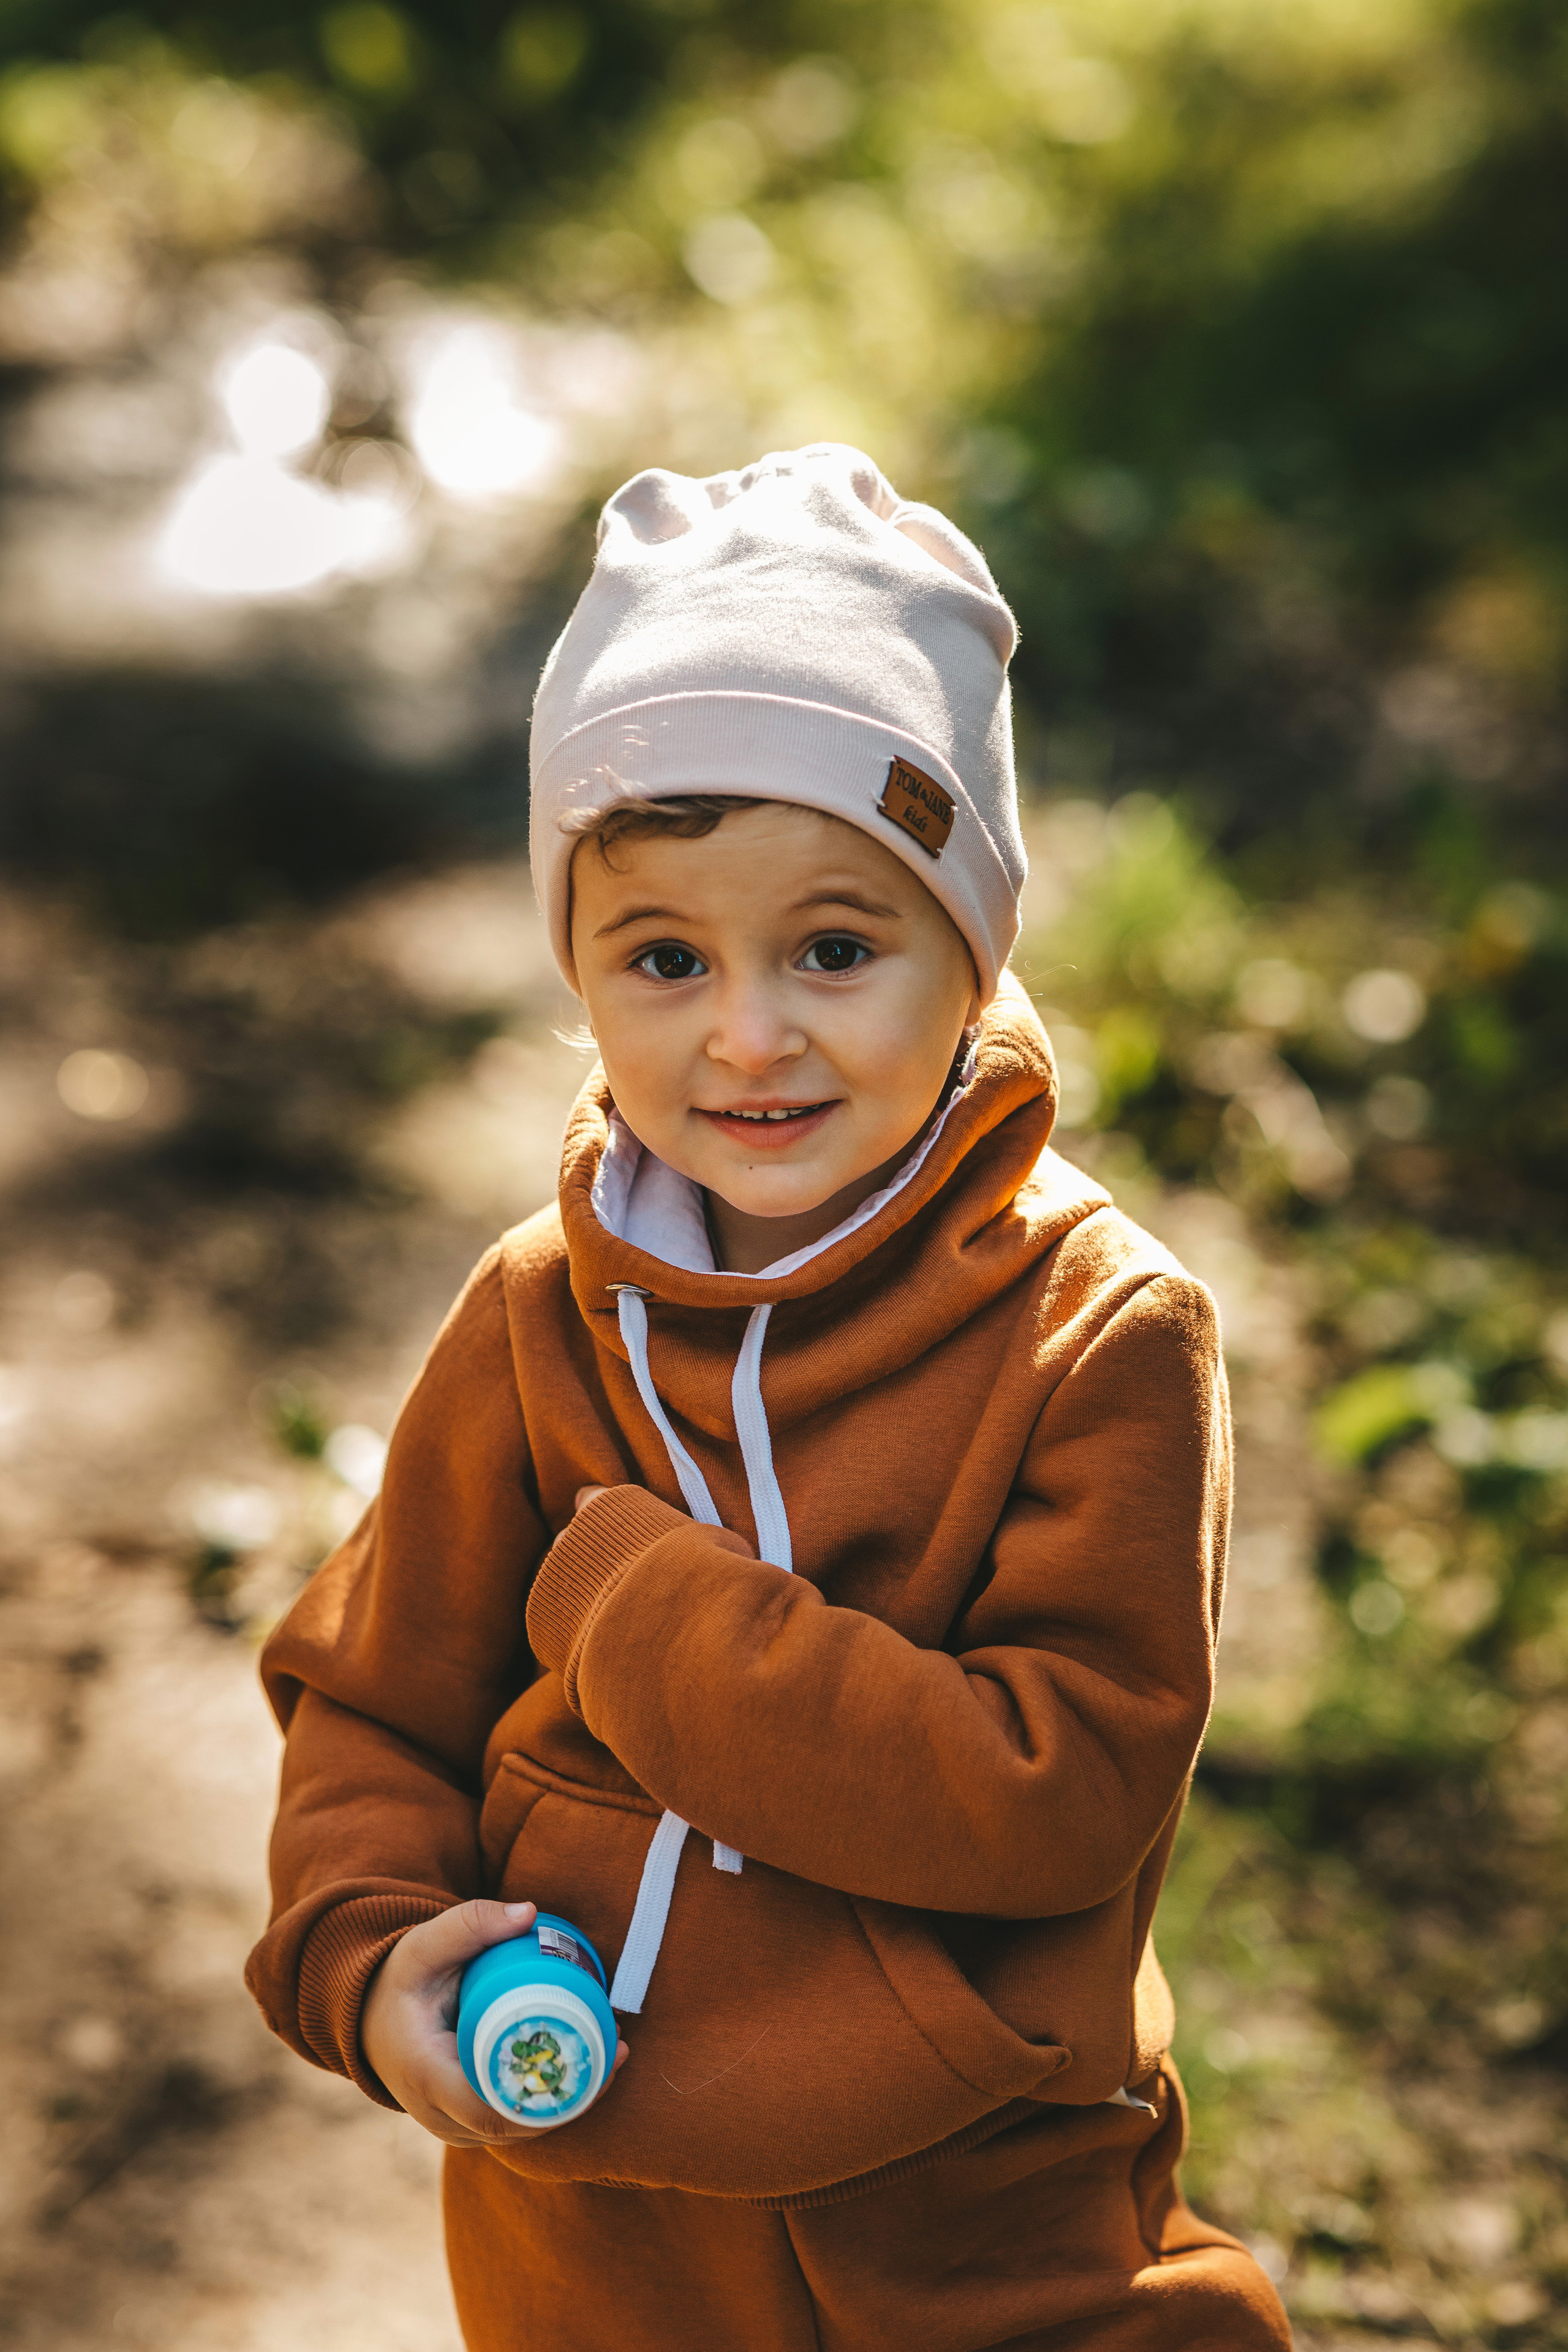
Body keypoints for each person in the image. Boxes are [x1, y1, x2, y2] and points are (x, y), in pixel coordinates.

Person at [246, 445, 1291, 2350]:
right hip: (590, 2208)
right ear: (581, 973)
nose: (748, 1033)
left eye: (834, 946)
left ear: (970, 952)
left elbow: (1059, 1792)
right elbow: (376, 1706)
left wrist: (647, 1617)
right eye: (664, 956)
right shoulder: (537, 1318)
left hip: (977, 2198)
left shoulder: (1098, 1336)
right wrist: (373, 1954)